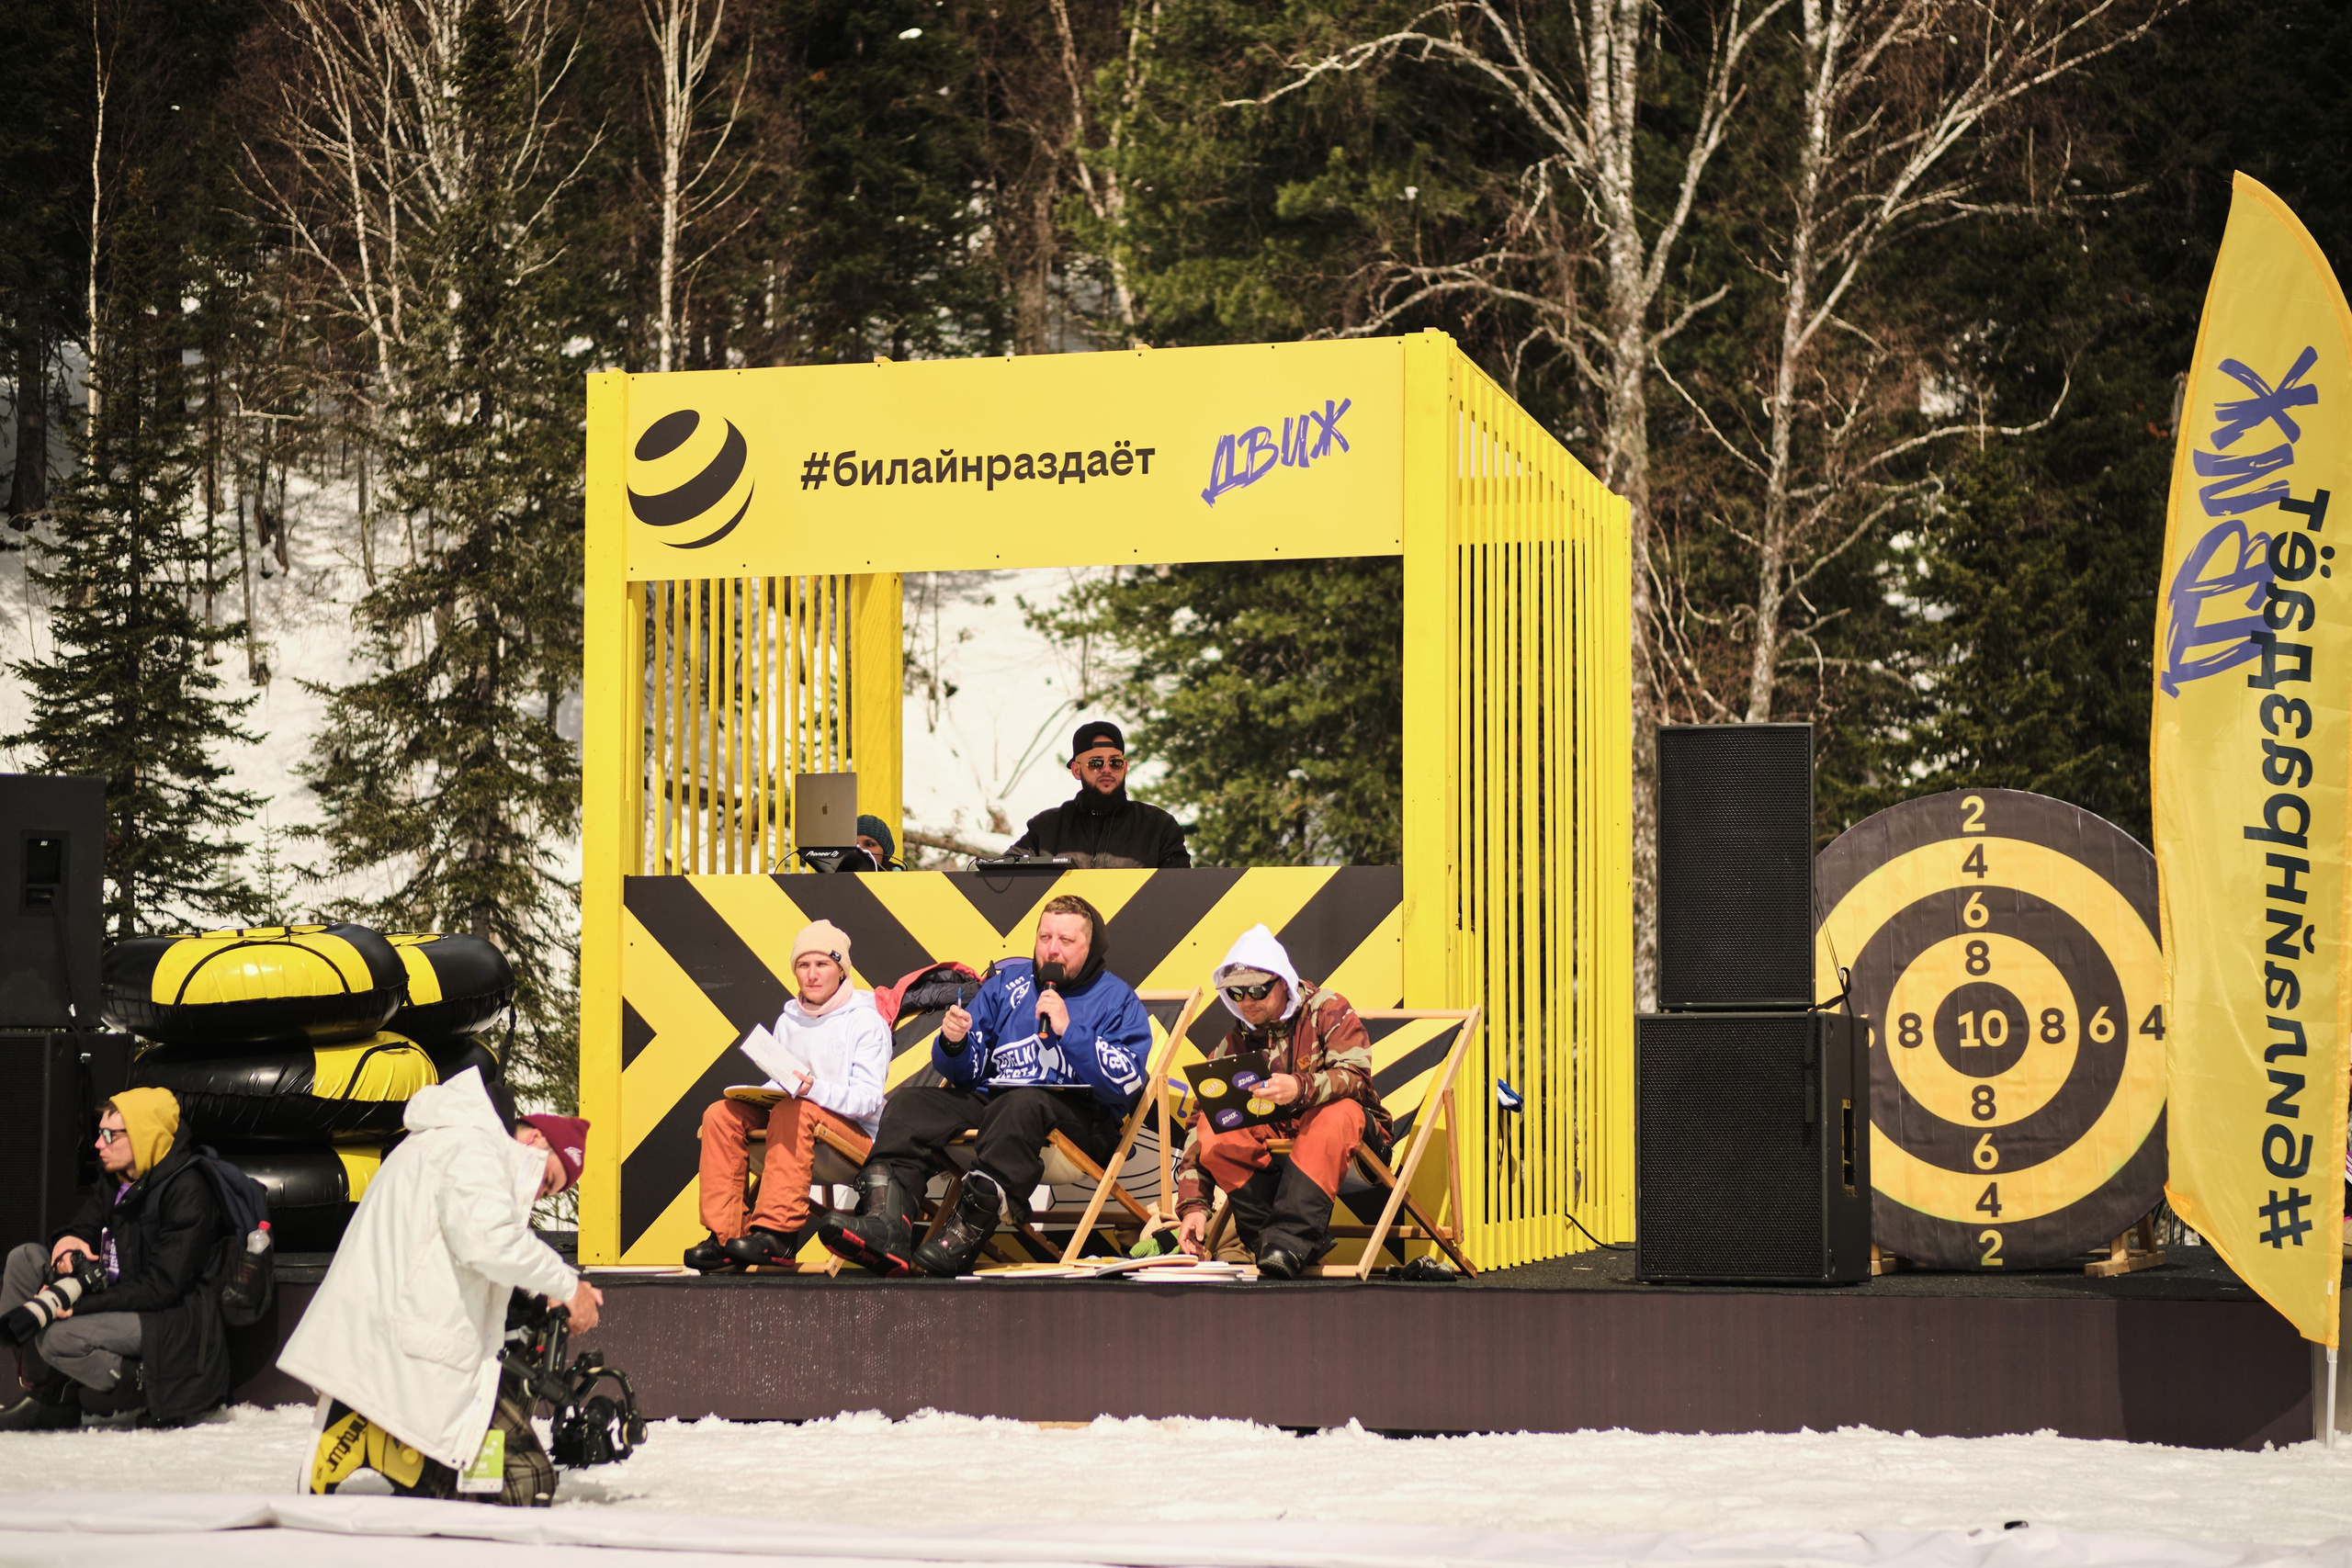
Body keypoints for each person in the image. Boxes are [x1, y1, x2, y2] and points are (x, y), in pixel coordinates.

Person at [281, 1067, 601, 1506]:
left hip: (407, 1344)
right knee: (525, 1485)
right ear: (537, 1142)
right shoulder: (475, 1147)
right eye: (548, 1180)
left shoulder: (459, 1140)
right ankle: (372, 1432)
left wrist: (534, 1289)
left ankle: (379, 1437)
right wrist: (567, 1285)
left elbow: (461, 1248)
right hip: (408, 1354)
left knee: (516, 1480)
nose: (541, 1195)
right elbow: (486, 1241)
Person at [820, 895, 1151, 1277]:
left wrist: (1069, 1030)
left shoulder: (1117, 998)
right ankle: (886, 1226)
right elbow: (967, 1072)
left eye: (1066, 941)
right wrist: (954, 1043)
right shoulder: (1007, 986)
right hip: (1000, 1101)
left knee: (1022, 1103)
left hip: (1080, 1118)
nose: (1052, 950)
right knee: (909, 1106)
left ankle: (963, 1235)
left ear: (1091, 948)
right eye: (1045, 937)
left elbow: (1126, 1082)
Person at [0, 1088, 230, 1430]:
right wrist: (67, 1245)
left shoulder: (188, 1192)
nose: (98, 1144)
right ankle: (49, 1397)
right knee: (24, 1260)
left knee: (58, 1337)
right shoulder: (115, 1180)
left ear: (143, 1135)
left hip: (168, 1318)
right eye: (99, 1132)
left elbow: (161, 1289)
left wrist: (77, 1308)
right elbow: (84, 1228)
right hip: (116, 1291)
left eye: (110, 1135)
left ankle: (147, 1382)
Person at [1173, 925, 1391, 1279]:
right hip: (1281, 1152)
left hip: (1357, 1144)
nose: (1247, 1000)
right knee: (1214, 1127)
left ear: (1282, 982)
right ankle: (1271, 1244)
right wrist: (1193, 1207)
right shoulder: (1235, 1042)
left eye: (1258, 988)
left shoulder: (1327, 1009)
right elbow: (1200, 1125)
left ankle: (1289, 1240)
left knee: (1336, 1112)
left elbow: (1356, 1077)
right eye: (1236, 991)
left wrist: (1300, 1088)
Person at [684, 920, 892, 1270]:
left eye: (822, 964)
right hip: (796, 1120)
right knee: (721, 1114)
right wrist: (757, 1095)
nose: (811, 974)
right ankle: (724, 1236)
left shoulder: (866, 1021)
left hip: (855, 1140)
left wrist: (813, 1089)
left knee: (795, 1109)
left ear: (841, 970)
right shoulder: (789, 1020)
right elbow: (783, 1082)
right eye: (803, 965)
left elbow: (868, 1100)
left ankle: (777, 1236)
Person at [1007, 720, 1190, 868]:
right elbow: (1002, 873)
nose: (1107, 770)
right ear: (1077, 770)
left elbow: (1179, 891)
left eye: (1115, 763)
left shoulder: (1159, 827)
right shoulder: (1047, 828)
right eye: (1096, 763)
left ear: (1125, 768)